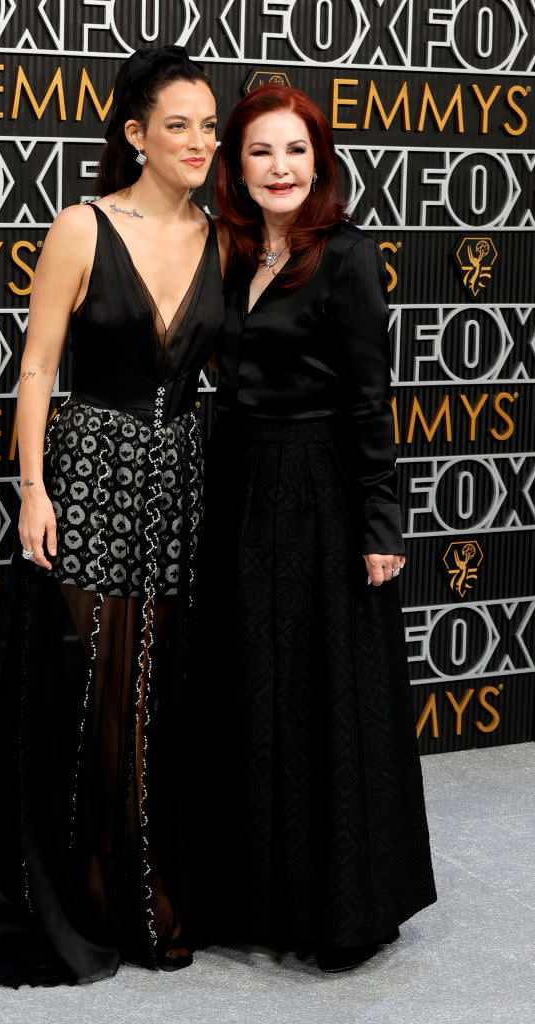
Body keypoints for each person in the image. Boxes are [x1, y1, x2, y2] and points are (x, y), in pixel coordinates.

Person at [0, 46, 226, 987]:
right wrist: (33, 487)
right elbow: (37, 368)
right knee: (95, 684)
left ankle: (151, 886)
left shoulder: (224, 237)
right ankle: (102, 893)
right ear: (135, 134)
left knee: (158, 683)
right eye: (178, 124)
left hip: (183, 480)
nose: (199, 141)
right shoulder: (82, 226)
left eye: (208, 125)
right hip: (93, 468)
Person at [197, 85, 436, 972]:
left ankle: (340, 910)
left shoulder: (348, 256)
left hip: (323, 493)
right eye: (261, 151)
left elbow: (371, 401)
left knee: (322, 694)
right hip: (237, 485)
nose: (281, 168)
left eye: (295, 150)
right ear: (237, 164)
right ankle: (248, 896)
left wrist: (382, 520)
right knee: (249, 684)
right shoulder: (225, 250)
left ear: (320, 159)